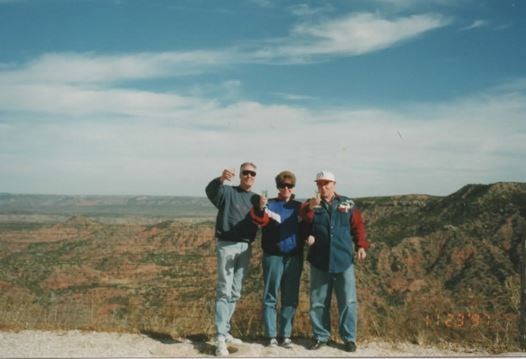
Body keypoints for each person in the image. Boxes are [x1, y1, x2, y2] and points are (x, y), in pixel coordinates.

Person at [299, 170, 369, 353]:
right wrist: (308, 232)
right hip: (320, 260)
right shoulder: (311, 204)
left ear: (334, 184)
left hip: (343, 258)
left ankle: (349, 338)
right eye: (319, 183)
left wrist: (361, 246)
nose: (323, 187)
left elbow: (357, 226)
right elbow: (304, 222)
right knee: (318, 302)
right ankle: (321, 336)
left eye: (326, 183)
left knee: (348, 301)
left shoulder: (347, 203)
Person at [205, 162, 260, 356]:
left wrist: (263, 208)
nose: (249, 176)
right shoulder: (227, 192)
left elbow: (262, 219)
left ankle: (225, 331)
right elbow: (210, 190)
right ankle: (220, 337)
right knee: (223, 291)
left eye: (252, 173)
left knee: (235, 292)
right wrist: (220, 179)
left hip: (245, 247)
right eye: (245, 172)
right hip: (227, 245)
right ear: (240, 175)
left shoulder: (255, 198)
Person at [249, 170, 304, 349]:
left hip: (293, 256)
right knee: (270, 295)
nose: (286, 188)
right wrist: (260, 207)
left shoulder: (299, 206)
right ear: (277, 187)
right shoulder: (270, 204)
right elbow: (260, 220)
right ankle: (271, 335)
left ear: (293, 187)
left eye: (289, 185)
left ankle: (286, 335)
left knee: (290, 297)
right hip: (273, 255)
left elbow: (308, 224)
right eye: (282, 185)